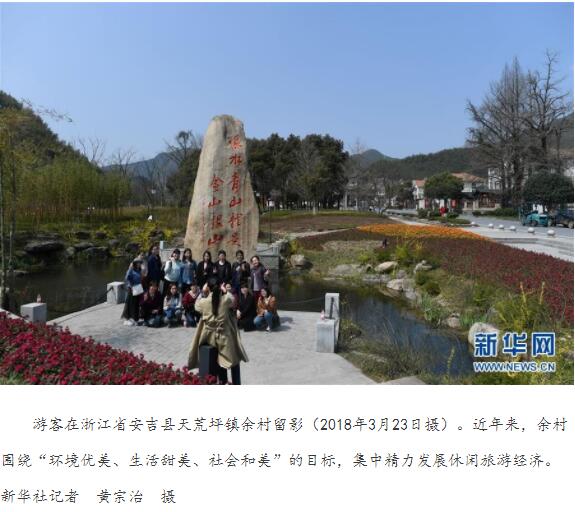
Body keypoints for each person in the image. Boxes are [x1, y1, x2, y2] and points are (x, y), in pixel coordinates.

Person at [187, 278, 248, 385]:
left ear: (208, 288)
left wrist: (202, 292)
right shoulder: (225, 299)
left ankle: (223, 382)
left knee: (219, 363)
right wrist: (225, 290)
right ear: (220, 287)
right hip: (224, 336)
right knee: (234, 360)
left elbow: (196, 306)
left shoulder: (203, 301)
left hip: (209, 337)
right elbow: (232, 299)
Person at [121, 259, 143, 325]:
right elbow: (127, 278)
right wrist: (130, 269)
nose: (139, 264)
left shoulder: (139, 270)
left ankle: (135, 318)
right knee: (130, 304)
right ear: (135, 264)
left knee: (136, 304)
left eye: (140, 263)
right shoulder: (131, 270)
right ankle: (128, 318)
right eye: (138, 263)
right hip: (132, 289)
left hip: (138, 289)